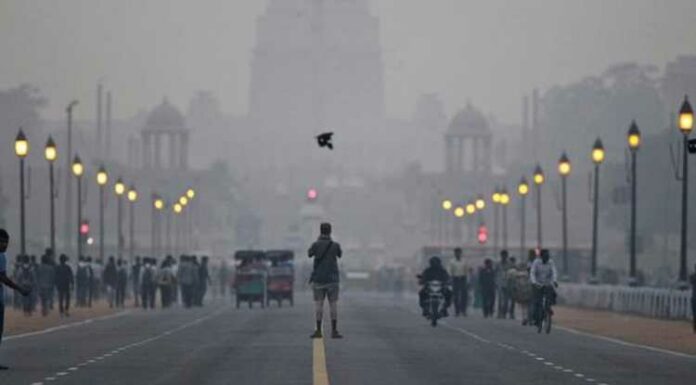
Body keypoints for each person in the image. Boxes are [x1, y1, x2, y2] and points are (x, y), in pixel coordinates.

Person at [0, 229, 31, 370]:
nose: (5, 245)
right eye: (2, 241)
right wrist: (20, 289)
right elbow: (3, 278)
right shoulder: (1, 257)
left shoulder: (3, 256)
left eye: (6, 242)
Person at [308, 222, 343, 339]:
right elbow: (340, 254)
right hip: (332, 279)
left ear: (320, 231)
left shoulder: (316, 245)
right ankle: (334, 331)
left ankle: (318, 331)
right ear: (330, 231)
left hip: (319, 279)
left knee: (319, 304)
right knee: (333, 304)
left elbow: (309, 254)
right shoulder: (335, 245)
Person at [530, 249, 558, 326]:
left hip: (547, 283)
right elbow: (532, 272)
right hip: (538, 284)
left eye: (548, 256)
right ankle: (535, 318)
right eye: (545, 256)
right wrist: (534, 282)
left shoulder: (551, 262)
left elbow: (554, 272)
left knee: (553, 294)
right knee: (537, 302)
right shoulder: (536, 262)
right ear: (541, 256)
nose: (547, 258)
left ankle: (549, 308)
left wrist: (554, 281)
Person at [448, 247, 469, 316]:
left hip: (463, 278)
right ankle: (457, 311)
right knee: (456, 296)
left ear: (461, 253)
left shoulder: (464, 261)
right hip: (455, 279)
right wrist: (450, 279)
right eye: (456, 253)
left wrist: (467, 280)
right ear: (454, 254)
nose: (458, 254)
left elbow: (466, 271)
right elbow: (450, 271)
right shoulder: (452, 261)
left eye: (459, 252)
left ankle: (463, 310)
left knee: (464, 296)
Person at [496, 250, 512, 318]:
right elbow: (495, 273)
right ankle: (499, 313)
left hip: (508, 283)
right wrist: (496, 282)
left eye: (505, 255)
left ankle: (504, 313)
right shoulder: (498, 264)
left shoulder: (510, 264)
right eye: (503, 255)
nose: (504, 257)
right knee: (500, 299)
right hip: (500, 283)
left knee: (506, 300)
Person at [690, 264, 696, 333]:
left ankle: (695, 327)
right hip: (694, 297)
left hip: (694, 297)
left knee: (694, 314)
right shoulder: (693, 276)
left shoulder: (692, 276)